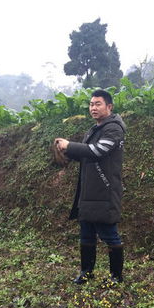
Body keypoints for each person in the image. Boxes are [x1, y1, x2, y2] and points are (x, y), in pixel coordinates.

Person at [55, 89, 126, 285]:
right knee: (86, 232)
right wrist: (68, 153)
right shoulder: (94, 129)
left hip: (105, 190)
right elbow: (86, 154)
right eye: (91, 104)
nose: (93, 108)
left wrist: (70, 145)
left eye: (98, 104)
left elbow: (97, 151)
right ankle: (86, 272)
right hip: (88, 190)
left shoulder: (114, 129)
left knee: (109, 234)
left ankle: (116, 277)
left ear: (109, 107)